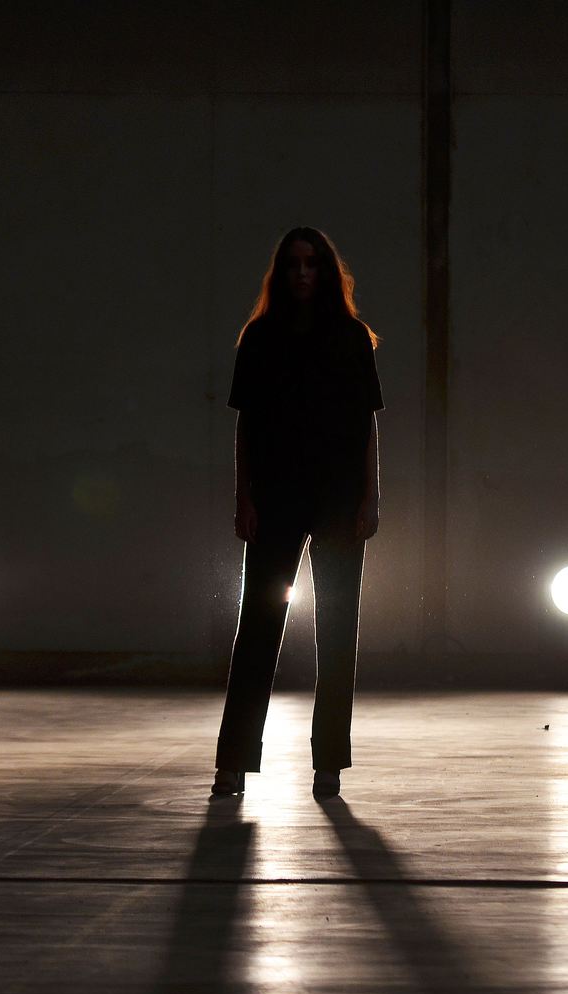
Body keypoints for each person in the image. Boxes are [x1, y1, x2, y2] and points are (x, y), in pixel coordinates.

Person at [211, 227, 384, 799]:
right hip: (276, 496)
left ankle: (329, 763)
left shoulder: (352, 338)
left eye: (312, 263)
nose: (303, 273)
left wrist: (370, 497)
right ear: (282, 272)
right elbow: (246, 426)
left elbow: (368, 426)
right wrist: (244, 496)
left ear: (327, 272)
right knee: (258, 629)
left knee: (337, 632)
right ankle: (233, 763)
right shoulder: (260, 338)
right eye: (294, 264)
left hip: (339, 500)